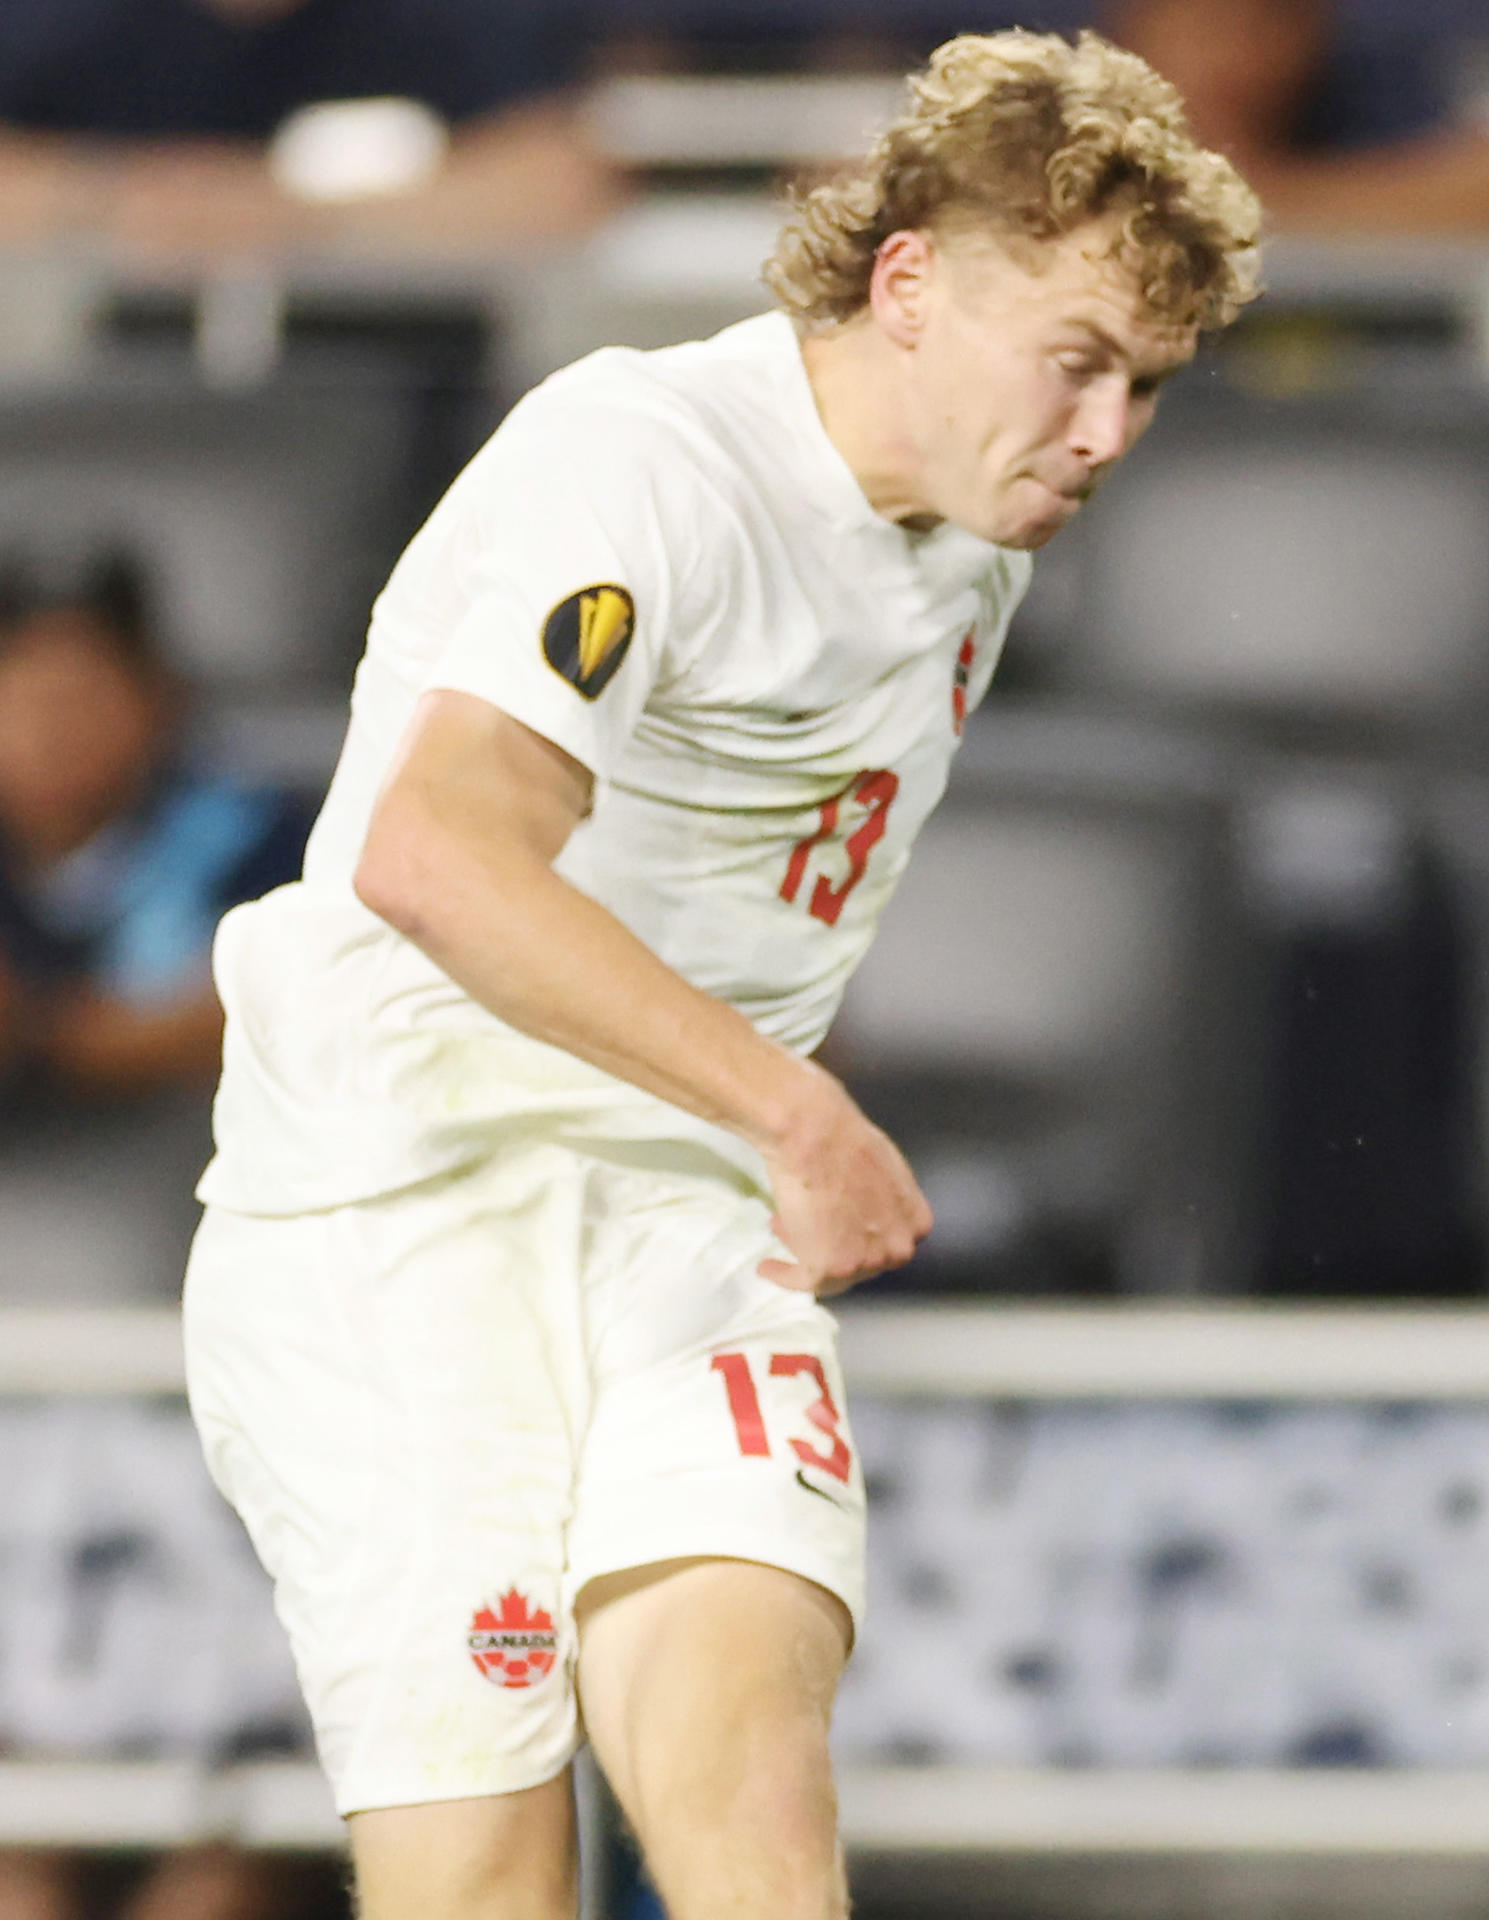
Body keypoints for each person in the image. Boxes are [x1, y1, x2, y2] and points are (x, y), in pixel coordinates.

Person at [183, 29, 1259, 1919]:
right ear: (907, 285)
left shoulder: (978, 543)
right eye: (1076, 365)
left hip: (680, 1215)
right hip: (392, 1218)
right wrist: (790, 1105)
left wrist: (745, 1111)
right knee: (490, 1891)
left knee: (759, 1828)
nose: (1107, 437)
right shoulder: (644, 463)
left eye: (1145, 389)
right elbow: (429, 855)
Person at [0, 0, 621, 257]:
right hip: (111, 387)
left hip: (389, 384)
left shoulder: (437, 19)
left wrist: (295, 212)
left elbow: (562, 179)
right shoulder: (64, 22)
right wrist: (123, 197)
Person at [1108, 0, 1489, 231]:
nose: (1238, 60)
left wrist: (1267, 199)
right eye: (1205, 22)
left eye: (1268, 21)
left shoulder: (1356, 114)